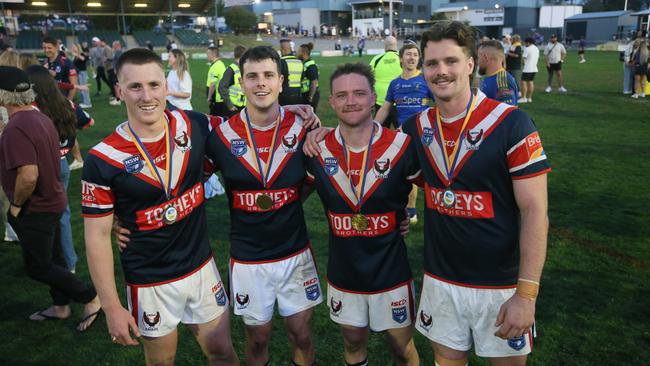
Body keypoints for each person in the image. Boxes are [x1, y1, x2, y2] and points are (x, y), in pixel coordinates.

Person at [81, 49, 239, 365]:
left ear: (166, 87)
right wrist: (112, 307)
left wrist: (300, 112)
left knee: (223, 353)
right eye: (135, 87)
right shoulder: (102, 159)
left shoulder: (195, 124)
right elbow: (96, 237)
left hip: (200, 267)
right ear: (119, 90)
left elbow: (251, 126)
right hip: (149, 280)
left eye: (154, 85)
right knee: (162, 362)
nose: (146, 95)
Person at [406, 21, 550, 365]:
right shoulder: (416, 128)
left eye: (451, 61)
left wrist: (526, 294)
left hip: (501, 287)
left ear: (471, 64)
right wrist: (309, 125)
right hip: (440, 281)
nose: (441, 72)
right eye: (432, 63)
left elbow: (535, 211)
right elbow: (368, 151)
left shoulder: (512, 123)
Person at [205, 45, 322, 366]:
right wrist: (126, 220)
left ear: (281, 82)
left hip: (294, 252)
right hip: (248, 257)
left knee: (302, 334)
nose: (261, 83)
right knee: (257, 338)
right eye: (252, 76)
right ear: (240, 83)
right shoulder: (220, 134)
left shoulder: (304, 127)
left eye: (268, 75)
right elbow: (179, 180)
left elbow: (326, 180)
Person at [305, 62, 421, 366]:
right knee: (353, 344)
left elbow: (436, 190)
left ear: (374, 98)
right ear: (331, 102)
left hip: (391, 272)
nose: (350, 101)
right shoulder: (317, 151)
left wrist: (405, 215)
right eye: (341, 95)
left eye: (359, 93)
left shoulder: (402, 146)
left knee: (401, 347)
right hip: (345, 272)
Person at [0, 65, 101, 331]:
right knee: (54, 259)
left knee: (38, 266)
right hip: (53, 199)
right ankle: (60, 306)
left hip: (37, 206)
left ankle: (90, 297)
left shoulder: (16, 127)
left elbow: (29, 175)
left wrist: (16, 206)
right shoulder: (38, 117)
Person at [25, 65, 93, 273]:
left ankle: (51, 262)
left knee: (38, 216)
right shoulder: (67, 103)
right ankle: (67, 262)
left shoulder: (33, 108)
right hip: (61, 162)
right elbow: (88, 121)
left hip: (42, 165)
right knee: (61, 214)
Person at [370, 36, 402, 129]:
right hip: (400, 101)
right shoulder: (402, 58)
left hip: (381, 102)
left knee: (381, 134)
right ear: (396, 45)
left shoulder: (376, 59)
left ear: (385, 46)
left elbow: (367, 79)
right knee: (403, 134)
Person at [478, 40, 519, 106]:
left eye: (478, 57)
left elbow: (508, 113)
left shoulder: (502, 81)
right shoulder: (491, 77)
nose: (477, 62)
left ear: (485, 58)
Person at [42, 37, 78, 101]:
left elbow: (74, 85)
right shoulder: (44, 63)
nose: (46, 50)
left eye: (49, 48)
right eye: (44, 48)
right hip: (48, 101)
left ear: (56, 47)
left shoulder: (66, 62)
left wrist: (68, 101)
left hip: (63, 101)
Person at [218, 45, 247, 118]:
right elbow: (222, 87)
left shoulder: (243, 68)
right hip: (233, 108)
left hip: (243, 107)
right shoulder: (231, 70)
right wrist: (229, 105)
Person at [279, 38, 305, 106]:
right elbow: (302, 77)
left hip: (284, 94)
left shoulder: (281, 62)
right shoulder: (299, 62)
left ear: (282, 50)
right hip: (298, 94)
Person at [297, 42, 320, 110]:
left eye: (298, 52)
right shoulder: (304, 64)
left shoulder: (310, 66)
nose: (296, 54)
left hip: (310, 95)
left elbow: (314, 82)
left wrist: (310, 98)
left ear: (303, 53)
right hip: (305, 94)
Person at [206, 47, 226, 116]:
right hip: (221, 98)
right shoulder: (221, 64)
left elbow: (213, 84)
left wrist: (209, 97)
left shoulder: (215, 66)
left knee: (214, 119)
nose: (207, 55)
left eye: (208, 53)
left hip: (216, 99)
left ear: (213, 54)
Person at [71, 43, 92, 108]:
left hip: (82, 73)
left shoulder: (82, 54)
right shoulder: (75, 56)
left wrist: (77, 54)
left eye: (74, 47)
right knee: (81, 88)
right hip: (78, 73)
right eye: (72, 47)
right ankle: (85, 101)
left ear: (78, 48)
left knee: (84, 88)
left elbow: (83, 59)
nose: (73, 48)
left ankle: (87, 103)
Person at [520, 38, 539, 104]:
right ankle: (529, 98)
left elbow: (523, 59)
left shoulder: (527, 49)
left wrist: (523, 64)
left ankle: (523, 98)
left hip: (527, 69)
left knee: (523, 83)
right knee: (531, 82)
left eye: (525, 43)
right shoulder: (536, 48)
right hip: (534, 68)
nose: (525, 44)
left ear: (528, 42)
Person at [108, 40, 123, 106]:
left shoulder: (118, 51)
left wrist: (116, 69)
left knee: (116, 85)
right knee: (117, 85)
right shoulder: (117, 51)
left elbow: (120, 61)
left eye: (114, 45)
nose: (113, 46)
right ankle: (119, 98)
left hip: (118, 71)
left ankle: (118, 100)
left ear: (117, 45)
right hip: (117, 70)